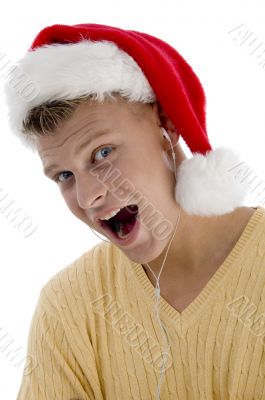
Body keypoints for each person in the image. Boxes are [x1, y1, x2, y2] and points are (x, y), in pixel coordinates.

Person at [5, 23, 265, 400]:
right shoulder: (68, 307)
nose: (89, 195)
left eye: (103, 153)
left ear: (167, 124)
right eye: (64, 175)